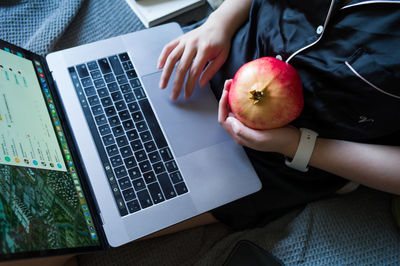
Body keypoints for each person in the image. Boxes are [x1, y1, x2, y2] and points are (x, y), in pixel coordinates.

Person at [158, 0, 400, 230]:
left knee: (131, 206)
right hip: (210, 56)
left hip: (283, 154)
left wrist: (299, 146)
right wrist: (218, 22)